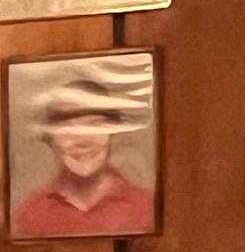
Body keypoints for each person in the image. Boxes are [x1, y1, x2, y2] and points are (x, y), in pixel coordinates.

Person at [13, 82, 155, 237]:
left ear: (113, 132)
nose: (82, 141)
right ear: (50, 139)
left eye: (95, 125)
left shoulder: (146, 208)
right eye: (67, 128)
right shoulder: (31, 215)